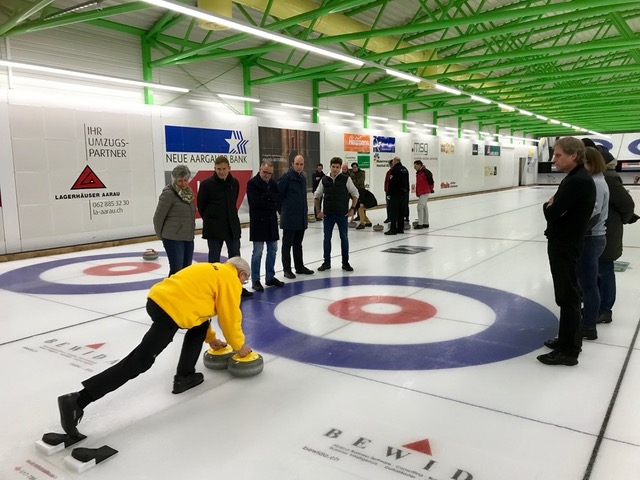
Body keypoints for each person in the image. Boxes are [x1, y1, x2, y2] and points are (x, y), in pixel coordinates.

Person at [56, 258, 253, 437]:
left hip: (157, 300)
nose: (242, 284)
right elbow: (230, 317)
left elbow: (199, 308)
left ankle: (185, 376)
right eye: (244, 281)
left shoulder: (212, 269)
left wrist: (211, 339)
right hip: (171, 310)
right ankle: (79, 400)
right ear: (242, 273)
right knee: (140, 361)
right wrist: (239, 346)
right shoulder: (230, 279)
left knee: (199, 328)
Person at [538, 137, 595, 366]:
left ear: (573, 155)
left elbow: (552, 213)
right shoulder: (575, 177)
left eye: (558, 155)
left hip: (565, 244)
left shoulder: (577, 181)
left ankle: (568, 350)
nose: (554, 159)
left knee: (568, 296)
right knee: (566, 295)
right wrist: (553, 205)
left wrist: (548, 205)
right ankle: (566, 340)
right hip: (566, 242)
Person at [197, 156, 252, 298]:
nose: (221, 172)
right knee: (214, 261)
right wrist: (211, 219)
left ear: (229, 168)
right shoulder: (206, 184)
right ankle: (214, 290)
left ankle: (237, 287)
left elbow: (234, 202)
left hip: (231, 227)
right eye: (218, 169)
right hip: (214, 229)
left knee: (235, 259)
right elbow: (201, 206)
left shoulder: (234, 183)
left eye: (224, 169)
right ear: (214, 169)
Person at [594, 147, 635, 324]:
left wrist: (621, 220)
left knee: (604, 270)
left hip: (607, 232)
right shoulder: (601, 177)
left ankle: (605, 310)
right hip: (601, 230)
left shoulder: (608, 178)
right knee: (597, 270)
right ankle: (597, 306)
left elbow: (627, 204)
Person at [575, 147, 609, 340]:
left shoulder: (595, 183)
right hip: (593, 237)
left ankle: (588, 326)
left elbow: (593, 214)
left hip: (590, 238)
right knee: (588, 283)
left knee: (588, 285)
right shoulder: (596, 180)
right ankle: (588, 318)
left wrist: (573, 230)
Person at [314, 157, 359, 272]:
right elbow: (317, 195)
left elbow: (355, 193)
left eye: (337, 167)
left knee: (344, 238)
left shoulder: (346, 179)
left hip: (342, 215)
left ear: (340, 168)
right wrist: (318, 211)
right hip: (328, 215)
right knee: (326, 239)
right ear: (330, 166)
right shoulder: (324, 180)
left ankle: (345, 263)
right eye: (333, 167)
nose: (335, 169)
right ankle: (326, 262)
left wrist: (352, 208)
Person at [247, 161, 284, 292]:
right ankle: (255, 280)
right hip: (258, 223)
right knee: (257, 252)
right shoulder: (252, 183)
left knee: (272, 250)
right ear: (260, 169)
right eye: (265, 172)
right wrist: (270, 200)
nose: (267, 175)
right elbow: (256, 203)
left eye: (269, 173)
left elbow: (278, 199)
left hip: (271, 223)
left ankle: (270, 277)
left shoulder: (273, 184)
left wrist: (268, 197)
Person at [153, 165, 196, 276]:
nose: (183, 183)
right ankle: (171, 288)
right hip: (173, 238)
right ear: (174, 180)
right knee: (177, 270)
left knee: (187, 270)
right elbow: (158, 218)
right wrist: (162, 237)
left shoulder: (188, 193)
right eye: (180, 181)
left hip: (188, 238)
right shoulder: (168, 193)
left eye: (185, 180)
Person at [277, 154, 314, 279]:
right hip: (289, 217)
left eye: (301, 164)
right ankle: (287, 269)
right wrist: (282, 211)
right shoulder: (287, 177)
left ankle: (299, 267)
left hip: (300, 217)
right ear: (292, 164)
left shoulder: (303, 177)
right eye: (297, 164)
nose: (299, 166)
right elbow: (278, 194)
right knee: (287, 245)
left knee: (298, 244)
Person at [384, 156, 410, 235]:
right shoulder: (405, 169)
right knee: (401, 212)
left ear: (395, 161)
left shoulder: (395, 170)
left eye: (393, 161)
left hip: (395, 194)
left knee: (394, 212)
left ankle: (393, 229)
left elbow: (392, 182)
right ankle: (400, 228)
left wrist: (389, 193)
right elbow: (407, 182)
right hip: (404, 193)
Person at [412, 160, 435, 229]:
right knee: (424, 207)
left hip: (424, 191)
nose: (414, 168)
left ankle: (420, 223)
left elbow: (431, 181)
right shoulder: (420, 173)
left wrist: (431, 189)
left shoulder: (425, 172)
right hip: (423, 191)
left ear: (419, 165)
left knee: (420, 207)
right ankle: (425, 223)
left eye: (415, 166)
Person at [349, 162, 371, 229]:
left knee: (361, 207)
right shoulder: (351, 173)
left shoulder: (362, 173)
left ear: (357, 167)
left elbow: (360, 181)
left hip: (361, 191)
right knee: (358, 206)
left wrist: (353, 181)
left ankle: (362, 222)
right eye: (353, 167)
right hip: (355, 191)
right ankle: (367, 222)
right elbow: (350, 182)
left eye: (355, 167)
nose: (354, 168)